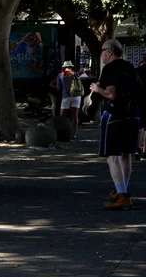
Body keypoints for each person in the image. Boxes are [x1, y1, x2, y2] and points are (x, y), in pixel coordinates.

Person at [89, 39, 140, 210]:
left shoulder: (110, 69)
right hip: (133, 115)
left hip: (114, 115)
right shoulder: (131, 68)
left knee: (112, 156)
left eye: (102, 50)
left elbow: (111, 94)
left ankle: (122, 196)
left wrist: (97, 89)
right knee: (126, 154)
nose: (101, 54)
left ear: (110, 52)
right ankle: (123, 191)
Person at [56, 60, 81, 138]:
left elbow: (58, 88)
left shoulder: (60, 75)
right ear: (71, 67)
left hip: (66, 97)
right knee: (75, 116)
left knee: (62, 117)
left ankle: (61, 133)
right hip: (76, 96)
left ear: (64, 68)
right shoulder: (76, 74)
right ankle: (74, 134)